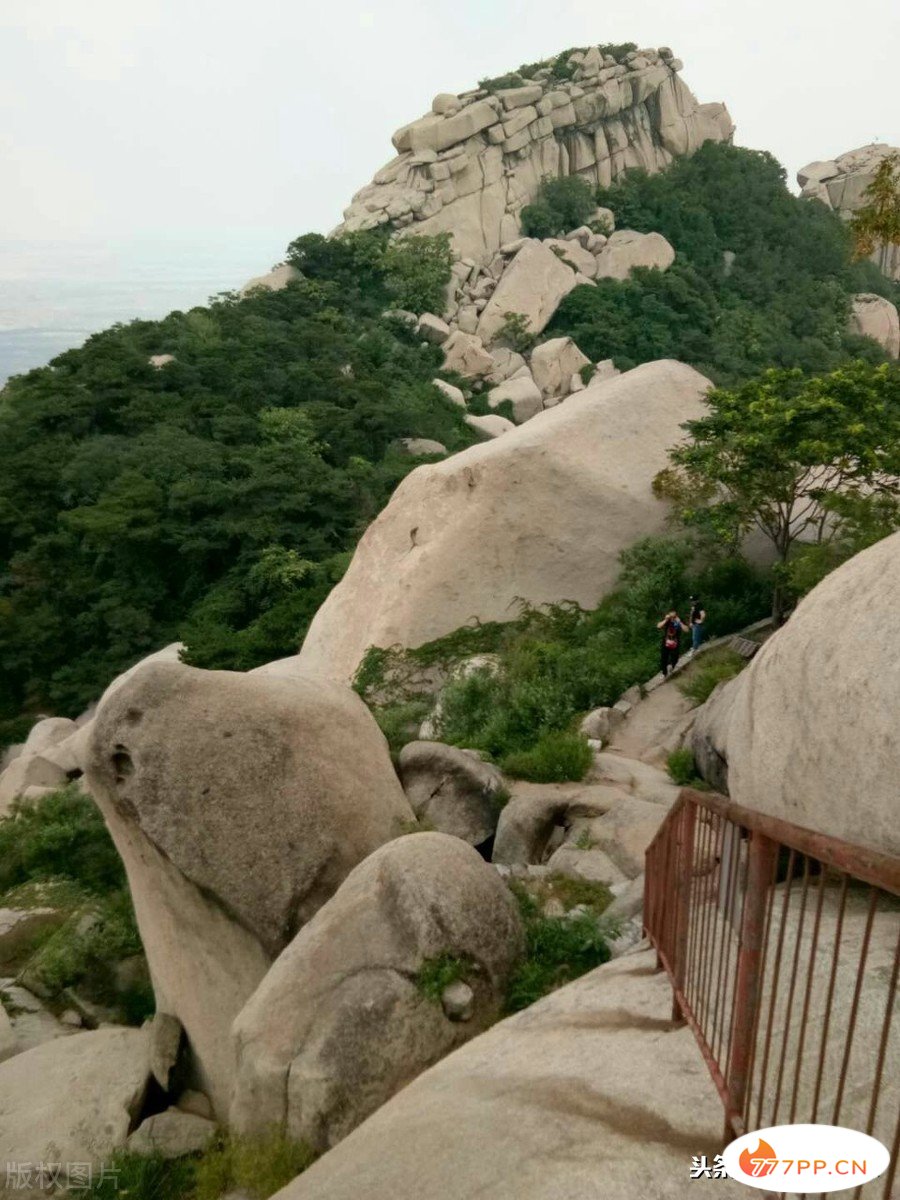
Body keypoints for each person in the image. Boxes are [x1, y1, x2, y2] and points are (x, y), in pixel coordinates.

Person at [657, 609, 686, 677]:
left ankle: (672, 666)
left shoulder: (679, 620)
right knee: (664, 657)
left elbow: (686, 629)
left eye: (674, 616)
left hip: (676, 641)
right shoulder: (667, 620)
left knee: (675, 657)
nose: (672, 618)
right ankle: (664, 673)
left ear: (676, 615)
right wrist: (666, 620)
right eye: (671, 616)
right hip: (666, 641)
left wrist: (680, 622)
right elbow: (658, 626)